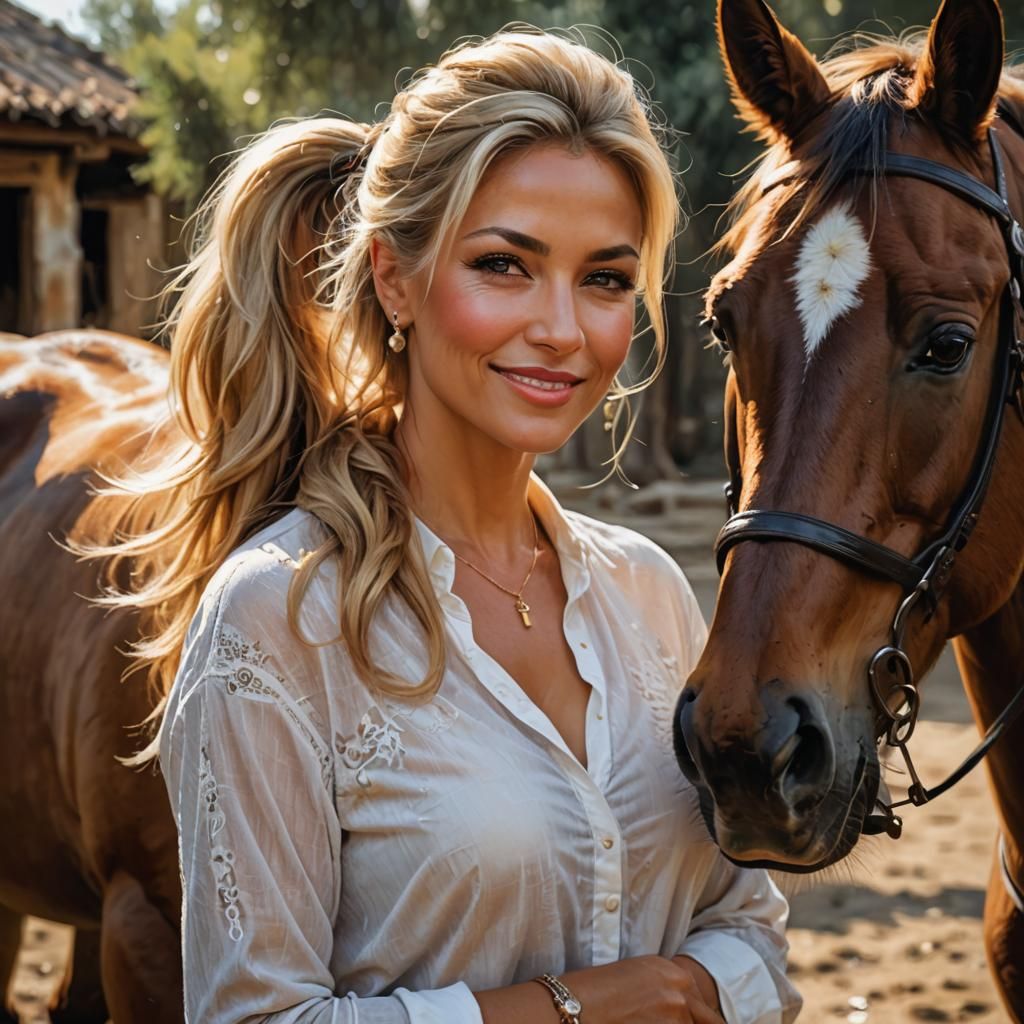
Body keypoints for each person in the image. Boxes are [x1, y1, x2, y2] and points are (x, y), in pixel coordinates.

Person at [107, 26, 800, 1024]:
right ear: (396, 278)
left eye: (604, 278)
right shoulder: (278, 619)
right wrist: (576, 1007)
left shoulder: (646, 590)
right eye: (505, 265)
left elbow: (753, 937)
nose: (563, 329)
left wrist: (691, 986)